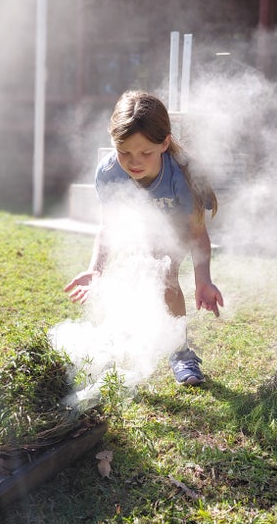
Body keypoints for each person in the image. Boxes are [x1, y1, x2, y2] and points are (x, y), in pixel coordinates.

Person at [64, 89, 223, 386]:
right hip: (141, 218)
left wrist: (203, 280)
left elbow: (198, 234)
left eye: (145, 153)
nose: (134, 162)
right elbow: (108, 227)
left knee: (165, 278)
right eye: (124, 152)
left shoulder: (182, 175)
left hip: (176, 221)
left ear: (164, 143)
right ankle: (128, 340)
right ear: (113, 142)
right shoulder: (109, 172)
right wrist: (96, 269)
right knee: (135, 275)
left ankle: (181, 354)